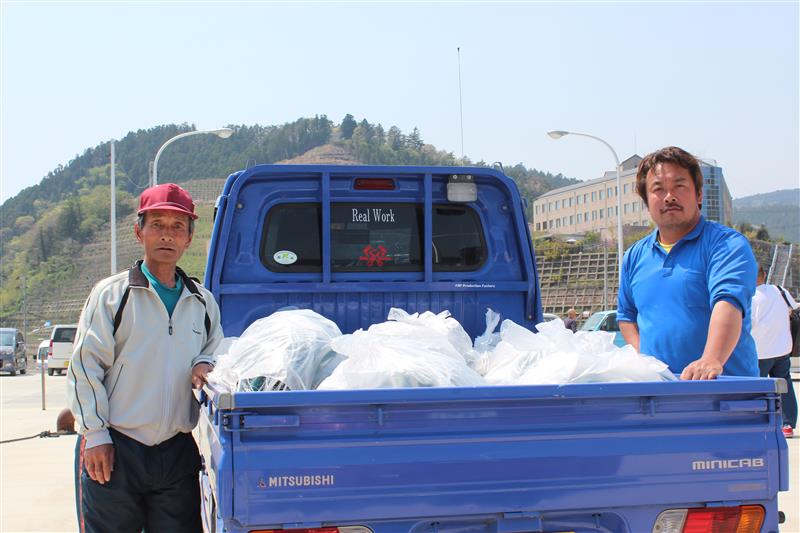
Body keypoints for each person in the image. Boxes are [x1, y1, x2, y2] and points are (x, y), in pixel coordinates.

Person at [67, 183, 224, 532]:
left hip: (176, 450)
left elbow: (218, 349)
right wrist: (95, 435)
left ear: (189, 238)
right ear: (140, 232)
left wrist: (206, 362)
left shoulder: (202, 302)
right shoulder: (112, 295)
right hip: (116, 447)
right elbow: (85, 367)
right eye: (157, 225)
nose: (167, 235)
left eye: (177, 227)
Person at [617, 146, 758, 380]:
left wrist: (712, 359)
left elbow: (728, 303)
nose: (669, 196)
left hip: (725, 392)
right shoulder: (634, 256)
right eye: (658, 189)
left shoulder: (726, 245)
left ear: (699, 194)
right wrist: (644, 361)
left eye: (679, 186)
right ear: (646, 200)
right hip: (656, 395)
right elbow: (627, 316)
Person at [752, 264, 798, 438]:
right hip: (783, 348)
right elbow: (792, 308)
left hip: (760, 351)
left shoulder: (750, 297)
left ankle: (759, 422)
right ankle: (787, 424)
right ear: (764, 275)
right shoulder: (780, 290)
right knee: (784, 385)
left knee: (757, 388)